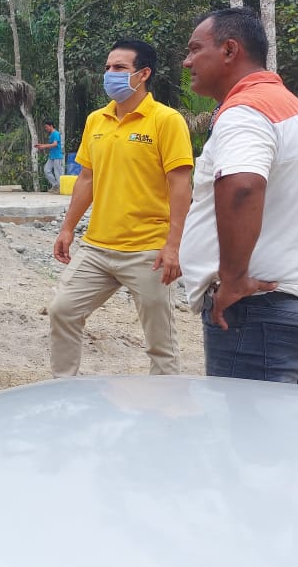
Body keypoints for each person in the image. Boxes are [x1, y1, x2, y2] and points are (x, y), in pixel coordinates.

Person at [180, 7, 298, 385]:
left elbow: (242, 186)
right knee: (291, 423)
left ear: (229, 50)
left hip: (258, 315)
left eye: (195, 49)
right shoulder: (296, 111)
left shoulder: (245, 111)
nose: (187, 62)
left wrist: (233, 280)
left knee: (245, 424)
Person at [48, 39, 193, 377]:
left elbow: (180, 185)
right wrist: (68, 228)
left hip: (148, 251)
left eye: (119, 68)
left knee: (160, 342)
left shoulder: (166, 120)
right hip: (97, 248)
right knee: (62, 311)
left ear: (143, 74)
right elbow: (86, 178)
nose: (109, 74)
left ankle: (165, 401)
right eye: (107, 67)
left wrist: (173, 245)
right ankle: (62, 391)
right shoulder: (96, 120)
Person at [36, 121, 64, 191]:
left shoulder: (56, 133)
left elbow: (55, 144)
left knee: (58, 173)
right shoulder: (51, 135)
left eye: (46, 127)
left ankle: (61, 188)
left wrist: (44, 146)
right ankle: (55, 185)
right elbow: (51, 145)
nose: (46, 128)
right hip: (52, 156)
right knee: (46, 170)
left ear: (51, 126)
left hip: (57, 156)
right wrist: (41, 145)